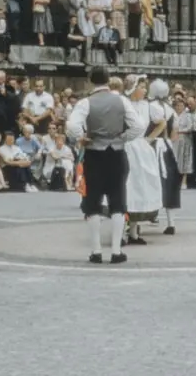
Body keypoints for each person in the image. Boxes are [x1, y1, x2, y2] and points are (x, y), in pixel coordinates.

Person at [65, 66, 145, 263]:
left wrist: (81, 138)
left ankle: (96, 251)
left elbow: (72, 125)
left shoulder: (85, 103)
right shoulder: (122, 101)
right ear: (108, 80)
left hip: (94, 153)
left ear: (91, 81)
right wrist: (123, 138)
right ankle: (117, 251)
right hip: (117, 153)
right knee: (118, 201)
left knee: (93, 202)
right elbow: (139, 126)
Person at [123, 75, 164, 244]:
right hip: (126, 147)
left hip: (141, 149)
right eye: (141, 86)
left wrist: (149, 139)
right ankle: (122, 232)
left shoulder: (148, 106)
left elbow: (162, 123)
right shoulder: (124, 104)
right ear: (133, 88)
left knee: (140, 187)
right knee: (127, 187)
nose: (145, 90)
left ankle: (134, 232)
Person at [147, 78, 181, 235]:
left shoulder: (150, 107)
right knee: (169, 182)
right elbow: (174, 134)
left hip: (153, 146)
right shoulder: (171, 110)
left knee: (150, 180)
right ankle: (171, 222)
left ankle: (147, 215)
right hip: (167, 147)